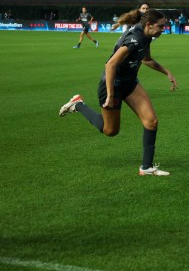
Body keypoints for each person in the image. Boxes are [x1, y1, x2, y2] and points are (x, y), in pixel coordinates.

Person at [59, 9, 177, 176]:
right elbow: (110, 65)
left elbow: (147, 59)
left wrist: (166, 72)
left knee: (151, 121)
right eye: (161, 26)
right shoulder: (134, 40)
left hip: (130, 83)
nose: (163, 29)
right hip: (112, 84)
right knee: (110, 131)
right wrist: (111, 94)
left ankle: (146, 167)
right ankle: (78, 105)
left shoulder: (147, 36)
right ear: (149, 25)